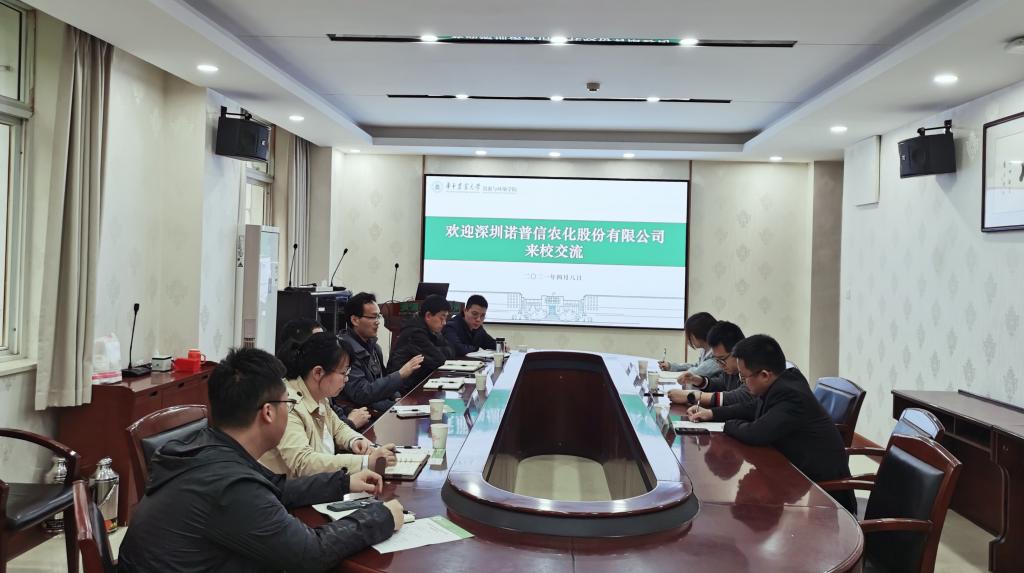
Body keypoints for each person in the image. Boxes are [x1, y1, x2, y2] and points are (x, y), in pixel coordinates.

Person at [117, 347, 403, 573]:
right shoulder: (229, 485)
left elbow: (277, 488)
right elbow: (309, 553)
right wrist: (381, 517)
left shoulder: (211, 446)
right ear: (268, 412)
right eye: (288, 403)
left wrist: (344, 482)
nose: (289, 410)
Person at [686, 334, 857, 515]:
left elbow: (756, 433)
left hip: (821, 495)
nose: (741, 483)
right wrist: (712, 413)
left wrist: (726, 425)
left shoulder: (790, 395)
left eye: (744, 378)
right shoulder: (782, 381)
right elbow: (752, 407)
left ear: (764, 375)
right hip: (794, 474)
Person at [261, 332, 397, 477]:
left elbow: (337, 427)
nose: (346, 379)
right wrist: (365, 462)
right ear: (318, 372)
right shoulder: (287, 405)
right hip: (289, 489)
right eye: (343, 372)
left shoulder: (317, 393)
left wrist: (355, 441)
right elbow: (303, 463)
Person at [276, 317, 370, 429]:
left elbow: (333, 412)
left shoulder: (320, 390)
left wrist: (349, 412)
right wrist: (351, 423)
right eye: (318, 342)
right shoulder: (288, 401)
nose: (327, 346)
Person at [337, 292, 424, 413]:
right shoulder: (345, 351)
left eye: (378, 316)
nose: (378, 322)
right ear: (355, 320)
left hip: (379, 405)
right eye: (373, 317)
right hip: (362, 413)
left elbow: (383, 379)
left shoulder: (374, 347)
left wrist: (397, 398)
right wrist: (400, 375)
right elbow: (362, 394)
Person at [668, 321, 753, 408]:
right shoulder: (731, 370)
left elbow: (741, 396)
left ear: (737, 351)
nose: (720, 365)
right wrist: (698, 380)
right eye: (717, 360)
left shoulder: (752, 369)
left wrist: (692, 396)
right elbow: (721, 384)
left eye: (722, 359)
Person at [386, 294, 455, 384]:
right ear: (428, 316)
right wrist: (437, 350)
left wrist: (436, 349)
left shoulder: (432, 329)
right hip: (403, 386)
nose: (444, 323)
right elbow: (440, 360)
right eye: (442, 318)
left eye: (446, 318)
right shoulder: (415, 333)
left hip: (419, 380)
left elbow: (452, 351)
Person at [659, 312, 721, 382]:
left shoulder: (717, 354)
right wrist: (671, 366)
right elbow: (696, 366)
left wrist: (677, 372)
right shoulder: (705, 350)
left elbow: (697, 372)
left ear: (699, 333)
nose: (689, 338)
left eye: (690, 334)